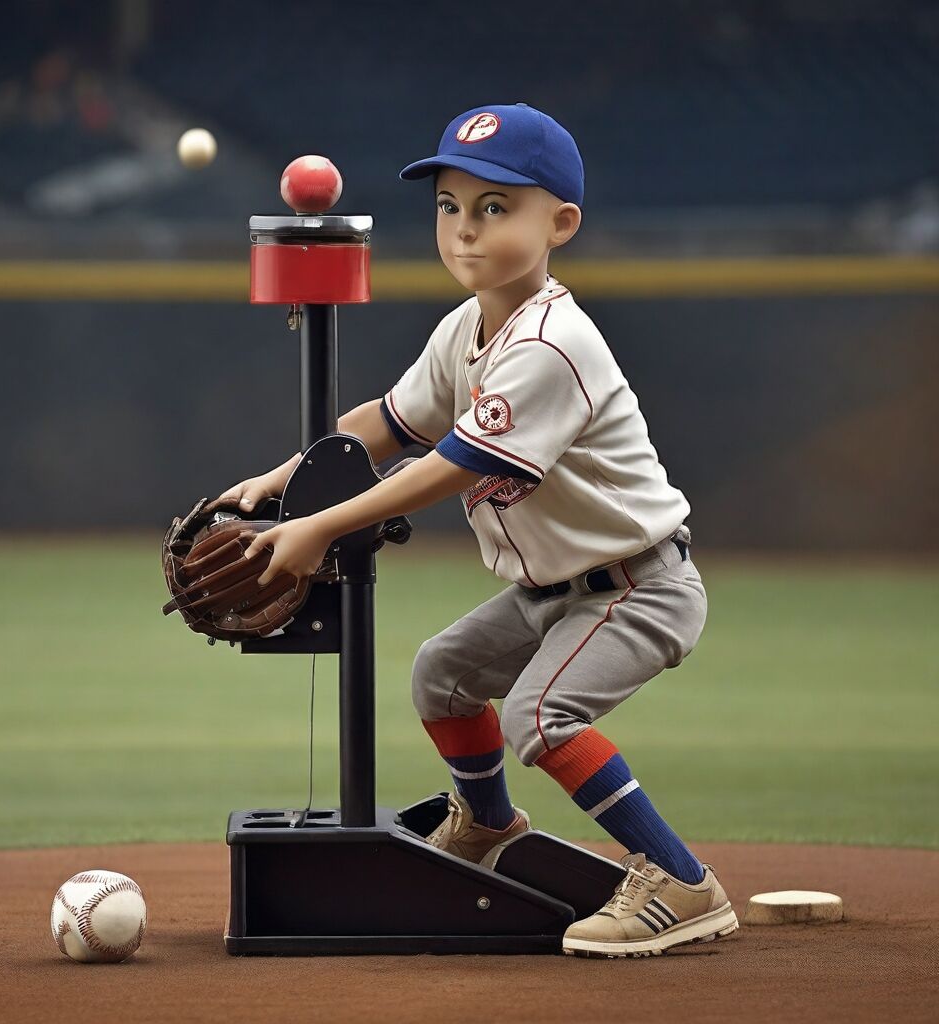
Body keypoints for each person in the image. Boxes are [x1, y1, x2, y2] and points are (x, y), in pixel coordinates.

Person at [215, 103, 738, 958]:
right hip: (553, 593)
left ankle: (681, 882)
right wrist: (283, 479)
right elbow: (389, 422)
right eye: (449, 206)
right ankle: (487, 828)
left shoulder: (551, 343)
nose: (464, 229)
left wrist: (319, 525)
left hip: (638, 587)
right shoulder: (468, 327)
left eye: (495, 207)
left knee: (542, 716)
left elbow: (451, 462)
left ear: (559, 223)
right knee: (443, 675)